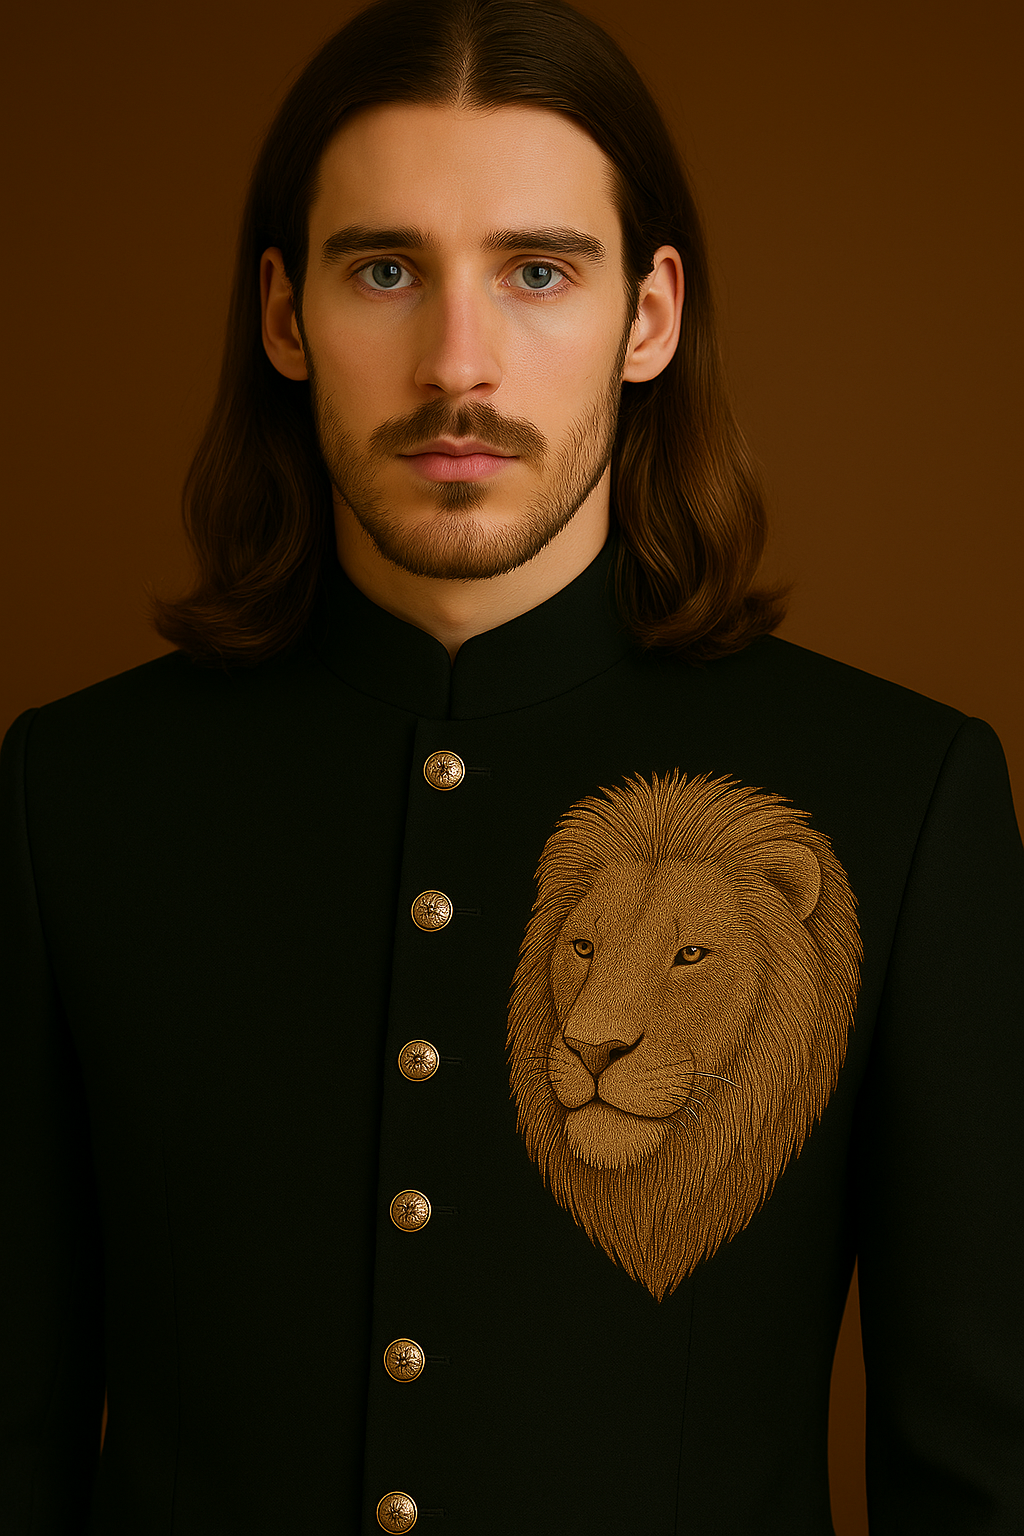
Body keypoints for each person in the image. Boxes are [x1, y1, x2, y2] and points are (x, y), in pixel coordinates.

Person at [2, 0, 1021, 1531]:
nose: (455, 363)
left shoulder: (903, 797)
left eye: (537, 271)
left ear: (650, 314)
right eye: (385, 270)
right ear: (286, 317)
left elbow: (979, 1483)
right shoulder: (69, 798)